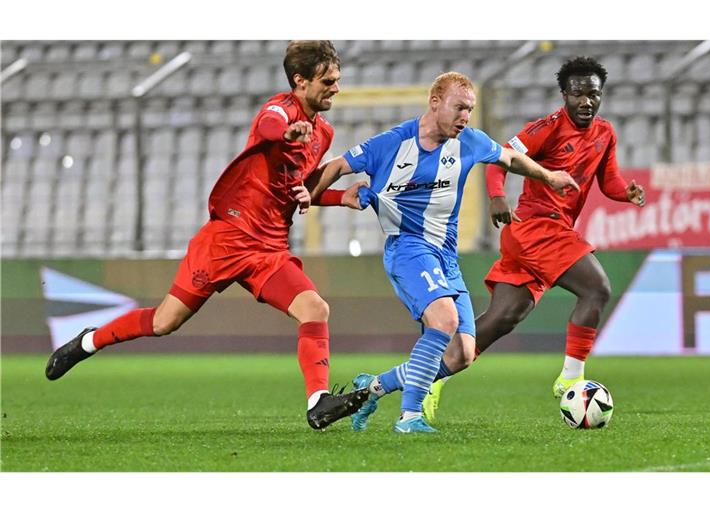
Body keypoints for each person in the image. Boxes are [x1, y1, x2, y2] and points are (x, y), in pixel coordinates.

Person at [45, 40, 369, 430]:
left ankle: (318, 402)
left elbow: (294, 188)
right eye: (328, 80)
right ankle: (88, 341)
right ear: (300, 81)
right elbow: (268, 126)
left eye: (337, 79)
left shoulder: (324, 132)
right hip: (227, 238)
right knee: (165, 322)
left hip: (269, 249)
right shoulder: (280, 110)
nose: (336, 87)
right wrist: (285, 134)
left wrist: (336, 197)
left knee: (315, 308)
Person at [308, 72, 579, 433]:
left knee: (462, 353)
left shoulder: (470, 142)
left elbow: (510, 160)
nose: (465, 116)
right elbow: (339, 165)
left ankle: (371, 388)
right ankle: (409, 417)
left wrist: (550, 177)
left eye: (470, 109)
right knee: (445, 321)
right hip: (408, 248)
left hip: (446, 257)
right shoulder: (393, 143)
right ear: (435, 102)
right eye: (459, 107)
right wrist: (308, 195)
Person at [423, 56, 646, 420]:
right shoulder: (546, 128)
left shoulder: (605, 133)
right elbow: (501, 159)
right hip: (536, 227)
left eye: (593, 94)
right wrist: (497, 197)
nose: (586, 101)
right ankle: (570, 379)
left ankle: (430, 379)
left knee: (503, 317)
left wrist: (627, 193)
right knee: (597, 289)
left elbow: (609, 180)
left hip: (542, 233)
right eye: (578, 94)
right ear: (564, 95)